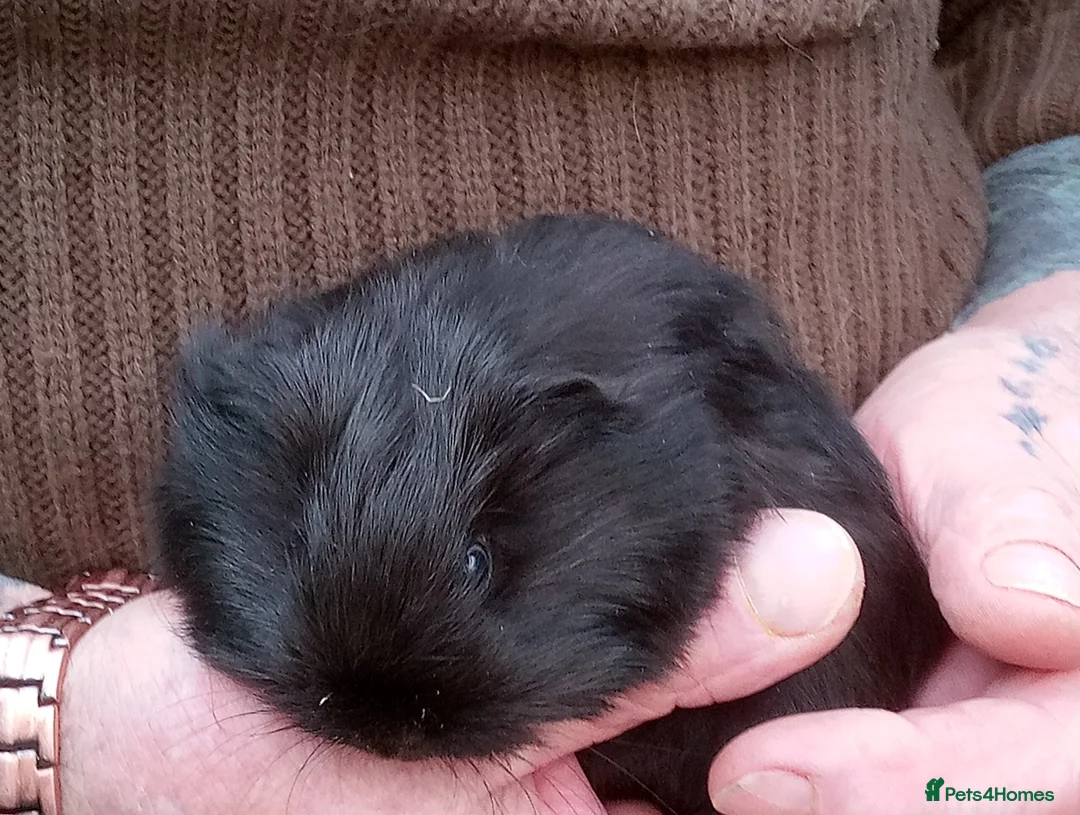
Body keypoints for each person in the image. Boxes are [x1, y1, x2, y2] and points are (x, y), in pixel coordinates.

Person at [0, 0, 1077, 813]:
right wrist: (39, 702)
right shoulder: (255, 417)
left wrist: (1047, 327)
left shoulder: (637, 417)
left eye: (476, 561)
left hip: (910, 697)